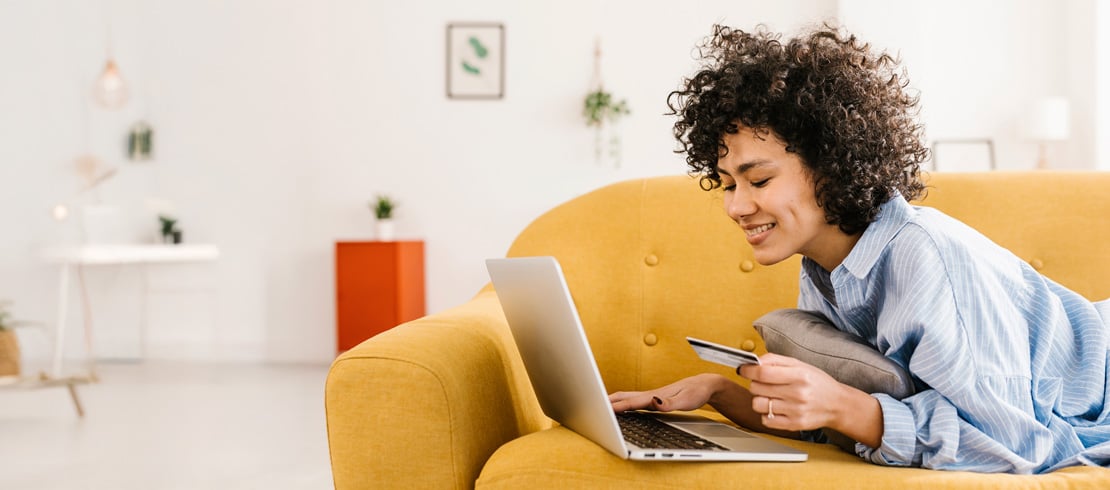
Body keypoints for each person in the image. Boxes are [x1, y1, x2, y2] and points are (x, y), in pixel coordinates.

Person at [607, 24, 1110, 474]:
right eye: (726, 185)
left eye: (757, 179)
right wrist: (718, 395)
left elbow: (1017, 444)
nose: (736, 207)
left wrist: (846, 406)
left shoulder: (924, 256)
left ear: (831, 164)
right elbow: (835, 421)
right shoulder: (826, 265)